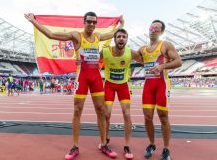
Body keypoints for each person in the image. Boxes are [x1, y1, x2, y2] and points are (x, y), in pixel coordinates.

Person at [25, 11, 124, 160]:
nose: (91, 24)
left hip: (96, 77)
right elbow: (51, 35)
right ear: (84, 22)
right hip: (82, 77)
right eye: (89, 21)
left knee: (101, 110)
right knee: (77, 110)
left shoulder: (97, 37)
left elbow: (112, 34)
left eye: (93, 22)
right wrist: (33, 21)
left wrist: (122, 24)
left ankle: (104, 144)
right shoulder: (76, 36)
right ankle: (75, 146)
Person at [137, 20, 182, 160]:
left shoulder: (166, 45)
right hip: (148, 86)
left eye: (157, 28)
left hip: (162, 84)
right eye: (152, 27)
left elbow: (179, 61)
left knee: (163, 116)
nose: (153, 30)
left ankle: (166, 148)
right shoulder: (142, 49)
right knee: (147, 117)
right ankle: (151, 144)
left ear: (161, 31)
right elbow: (129, 56)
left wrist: (162, 67)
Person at [99, 28, 142, 159]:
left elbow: (146, 59)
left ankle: (127, 145)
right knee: (106, 114)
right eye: (119, 36)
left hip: (123, 86)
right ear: (115, 39)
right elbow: (92, 59)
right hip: (109, 85)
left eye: (124, 36)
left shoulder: (131, 52)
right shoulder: (105, 51)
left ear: (127, 39)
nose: (121, 38)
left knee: (127, 113)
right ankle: (105, 139)